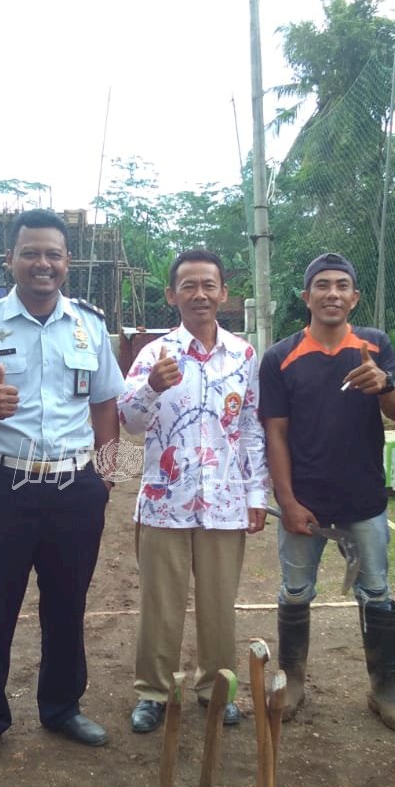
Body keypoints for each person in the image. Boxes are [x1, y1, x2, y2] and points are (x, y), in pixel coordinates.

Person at [0, 208, 123, 768]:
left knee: (67, 604)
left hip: (74, 487)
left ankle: (62, 706)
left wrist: (107, 474)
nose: (42, 263)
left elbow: (106, 403)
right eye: (31, 253)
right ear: (10, 260)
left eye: (53, 254)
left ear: (67, 262)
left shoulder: (90, 326)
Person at [258, 252, 395, 732]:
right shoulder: (280, 356)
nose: (332, 293)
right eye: (322, 285)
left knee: (377, 592)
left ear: (355, 297)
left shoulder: (374, 345)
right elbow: (276, 434)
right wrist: (287, 501)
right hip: (305, 501)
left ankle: (384, 688)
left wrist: (383, 382)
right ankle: (294, 680)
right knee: (296, 591)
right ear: (306, 297)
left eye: (342, 285)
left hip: (364, 499)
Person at [118, 249, 269, 733]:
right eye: (189, 285)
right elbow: (130, 424)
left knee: (219, 605)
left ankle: (216, 690)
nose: (199, 294)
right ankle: (154, 692)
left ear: (223, 293)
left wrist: (255, 495)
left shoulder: (244, 355)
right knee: (161, 605)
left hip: (224, 502)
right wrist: (152, 389)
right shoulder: (153, 355)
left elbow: (250, 429)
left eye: (209, 285)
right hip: (165, 502)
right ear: (172, 295)